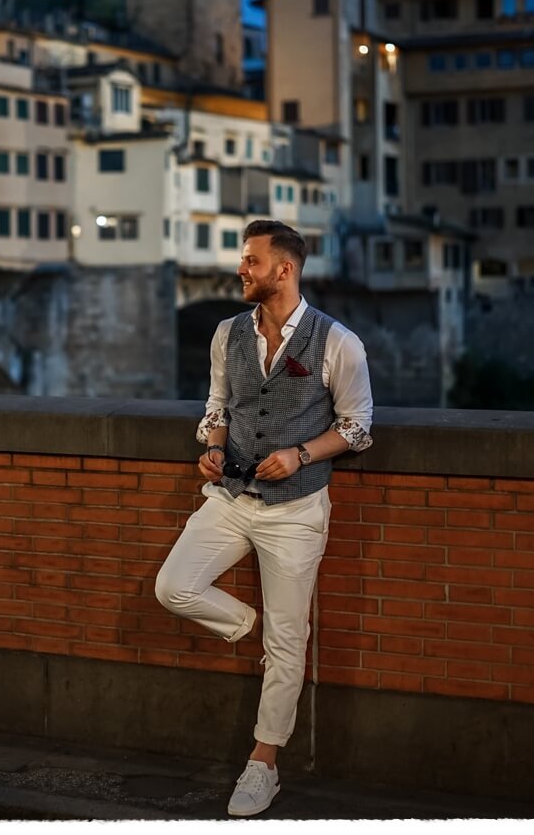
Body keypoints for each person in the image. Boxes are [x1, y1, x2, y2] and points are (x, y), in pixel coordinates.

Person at [155, 219, 373, 817]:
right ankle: (248, 624)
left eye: (251, 260)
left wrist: (300, 454)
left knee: (289, 640)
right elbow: (218, 408)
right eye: (242, 260)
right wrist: (216, 447)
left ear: (284, 269)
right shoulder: (226, 334)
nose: (240, 270)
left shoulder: (338, 343)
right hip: (230, 497)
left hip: (297, 509)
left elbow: (356, 428)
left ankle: (263, 765)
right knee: (173, 587)